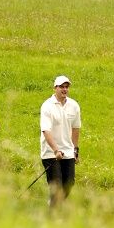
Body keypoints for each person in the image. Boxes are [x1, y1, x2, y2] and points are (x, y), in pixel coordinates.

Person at [40, 75, 81, 208]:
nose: (64, 89)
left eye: (66, 87)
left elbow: (76, 128)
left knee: (69, 184)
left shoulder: (74, 105)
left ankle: (54, 205)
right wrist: (55, 150)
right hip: (50, 153)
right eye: (61, 87)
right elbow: (46, 130)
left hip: (68, 152)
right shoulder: (47, 106)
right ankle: (53, 213)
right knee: (56, 186)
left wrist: (75, 150)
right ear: (55, 88)